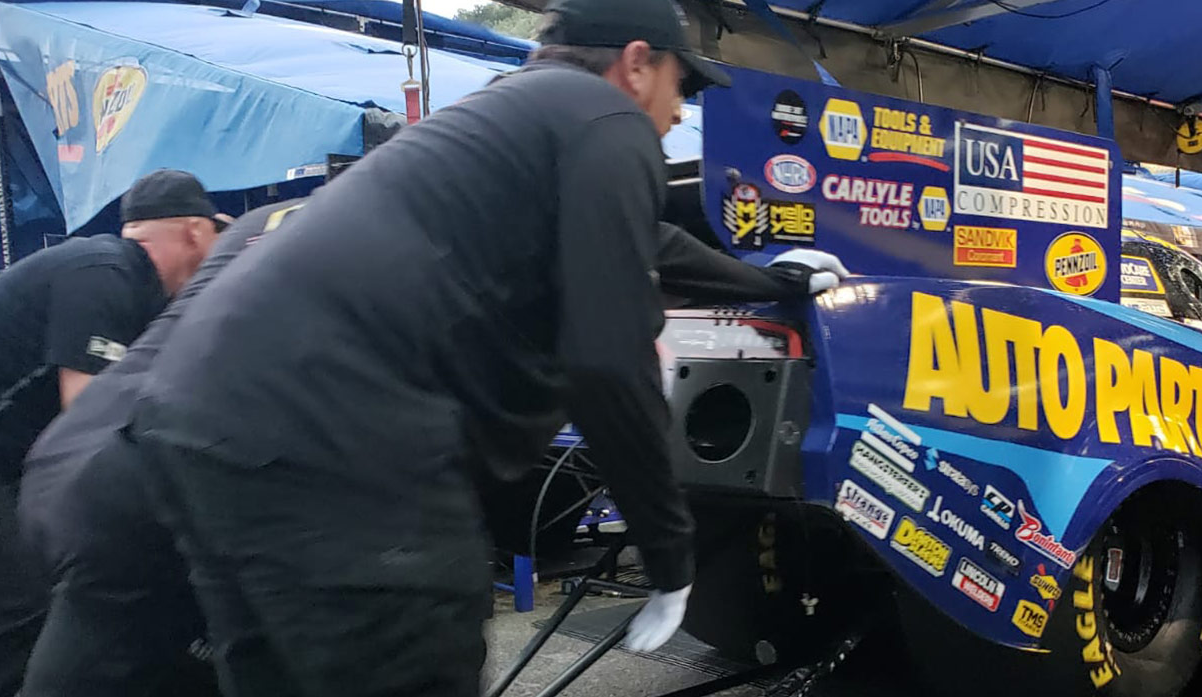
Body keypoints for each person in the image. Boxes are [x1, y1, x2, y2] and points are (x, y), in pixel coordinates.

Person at [115, 2, 792, 691]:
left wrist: (766, 279)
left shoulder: (504, 118)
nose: (679, 114)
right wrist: (672, 550)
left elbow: (645, 238)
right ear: (637, 63)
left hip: (196, 421)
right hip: (338, 443)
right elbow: (607, 358)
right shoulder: (607, 116)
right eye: (682, 87)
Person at [15, 193, 846, 695]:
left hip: (98, 472)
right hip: (269, 487)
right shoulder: (486, 223)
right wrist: (766, 282)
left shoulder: (289, 222)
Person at [0, 169, 220, 697]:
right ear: (197, 234)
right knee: (24, 601)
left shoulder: (137, 295)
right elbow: (89, 425)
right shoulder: (106, 271)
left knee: (55, 592)